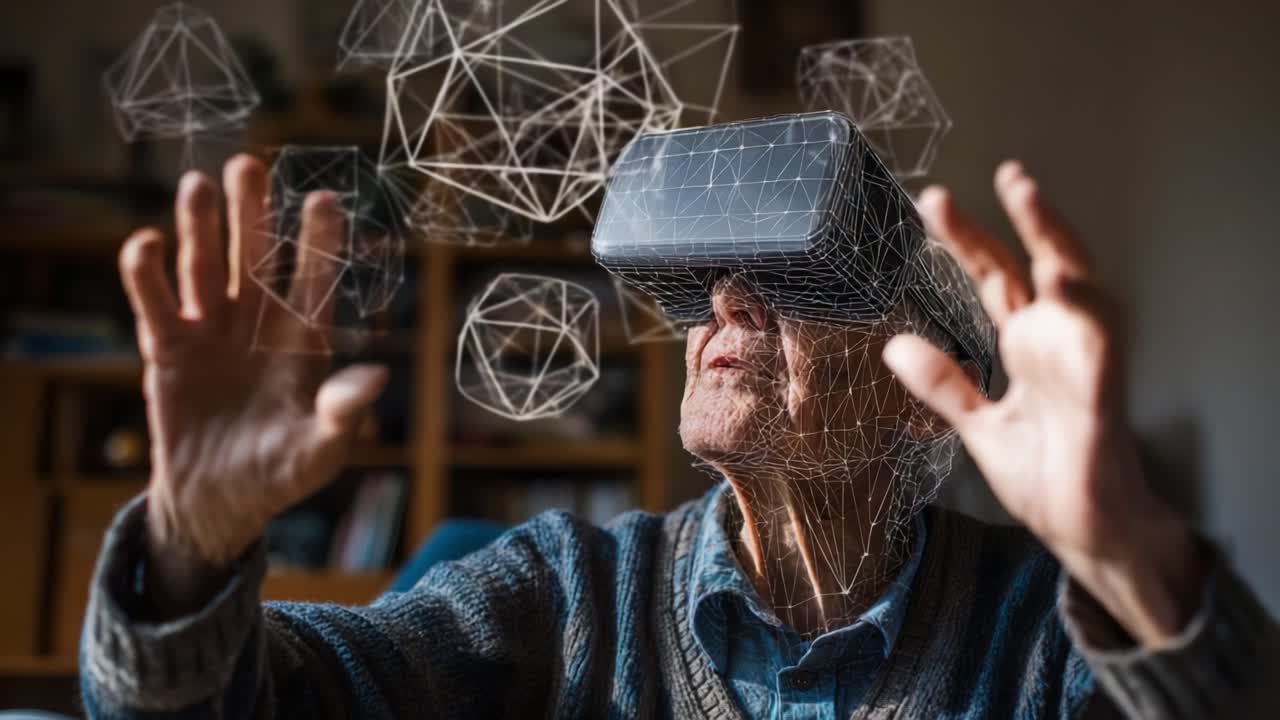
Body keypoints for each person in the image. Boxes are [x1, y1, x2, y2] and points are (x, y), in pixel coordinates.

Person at [79, 150, 1275, 719]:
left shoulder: (1040, 640)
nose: (724, 305)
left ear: (924, 384)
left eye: (799, 278)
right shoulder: (563, 596)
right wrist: (187, 545)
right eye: (710, 278)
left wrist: (1125, 552)